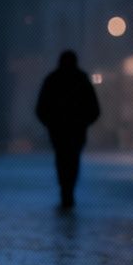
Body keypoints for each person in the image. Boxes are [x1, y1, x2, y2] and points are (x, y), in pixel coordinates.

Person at [34, 50, 101, 208]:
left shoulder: (53, 80)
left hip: (59, 130)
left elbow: (41, 108)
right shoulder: (81, 79)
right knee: (73, 160)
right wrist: (83, 122)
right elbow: (95, 108)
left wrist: (50, 123)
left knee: (61, 159)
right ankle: (68, 189)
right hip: (76, 130)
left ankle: (65, 189)